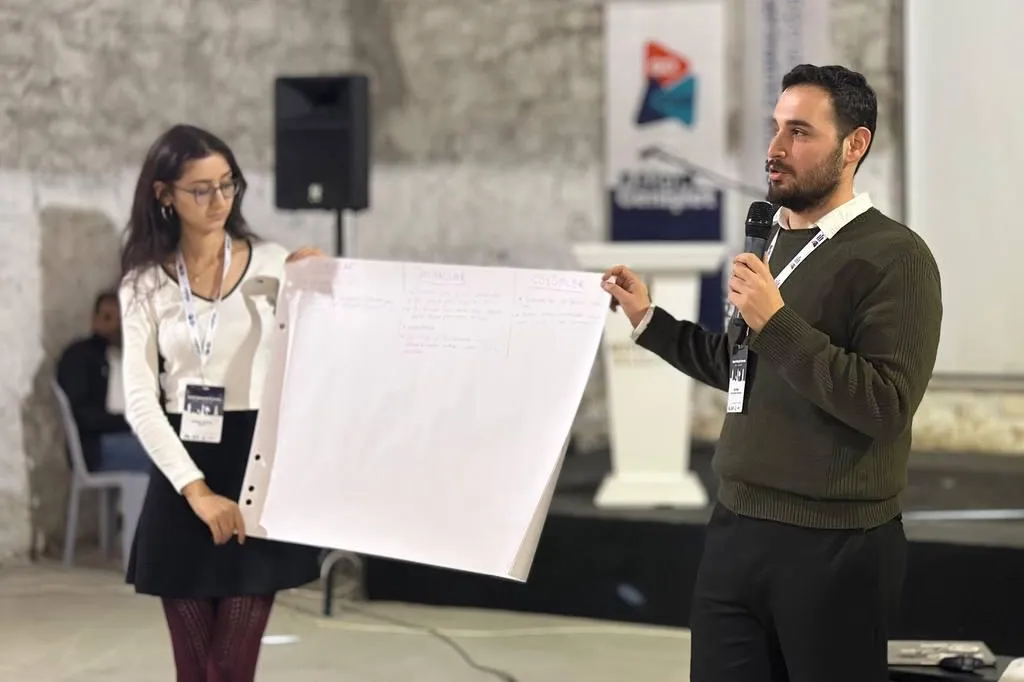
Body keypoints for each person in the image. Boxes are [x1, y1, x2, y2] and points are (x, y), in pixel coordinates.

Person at [602, 65, 943, 682]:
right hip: (736, 531)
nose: (775, 148)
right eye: (776, 127)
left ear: (854, 145)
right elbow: (741, 365)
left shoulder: (896, 257)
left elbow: (885, 404)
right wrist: (649, 319)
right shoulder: (773, 241)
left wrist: (776, 321)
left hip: (835, 546)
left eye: (800, 132)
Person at [119, 124, 325, 682]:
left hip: (256, 465)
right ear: (165, 194)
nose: (218, 200)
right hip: (182, 469)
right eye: (201, 189)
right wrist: (198, 491)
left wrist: (322, 291)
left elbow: (326, 355)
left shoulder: (276, 264)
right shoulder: (143, 284)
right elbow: (139, 399)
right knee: (194, 668)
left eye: (227, 184)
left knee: (231, 666)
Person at [57, 290, 150, 473]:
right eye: (108, 318)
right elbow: (83, 414)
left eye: (122, 319)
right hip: (98, 445)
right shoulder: (80, 356)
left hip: (137, 438)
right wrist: (128, 422)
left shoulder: (138, 357)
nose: (115, 326)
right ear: (94, 321)